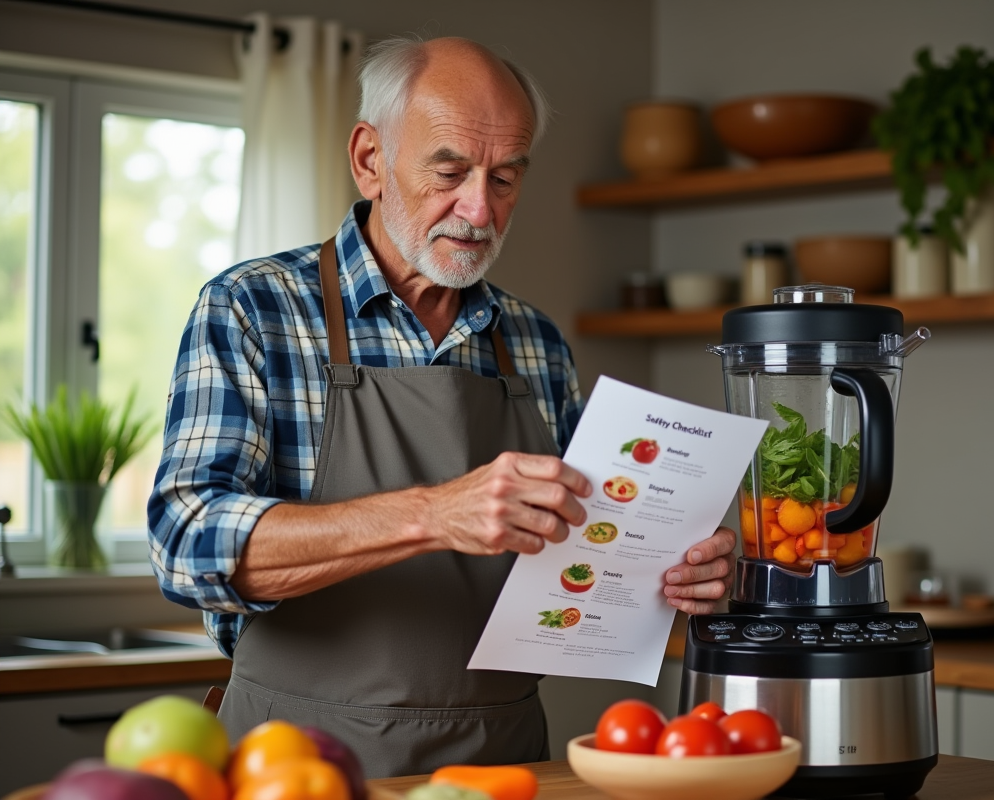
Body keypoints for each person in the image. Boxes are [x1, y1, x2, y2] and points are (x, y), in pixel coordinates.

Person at [148, 35, 735, 777]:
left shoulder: (534, 342)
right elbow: (185, 544)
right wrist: (430, 515)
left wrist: (678, 569)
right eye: (450, 171)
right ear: (370, 160)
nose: (479, 208)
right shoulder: (252, 309)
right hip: (297, 766)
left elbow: (592, 551)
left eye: (506, 177)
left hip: (503, 766)